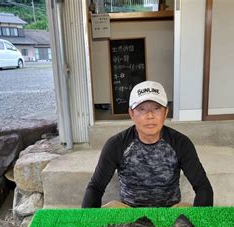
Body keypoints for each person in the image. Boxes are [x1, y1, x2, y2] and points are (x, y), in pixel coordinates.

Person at [82, 80, 213, 208]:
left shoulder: (181, 143)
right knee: (112, 207)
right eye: (142, 109)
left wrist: (200, 222)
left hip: (170, 212)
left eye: (156, 108)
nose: (150, 115)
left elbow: (203, 187)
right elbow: (96, 187)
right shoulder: (116, 144)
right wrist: (86, 222)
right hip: (129, 212)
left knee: (185, 208)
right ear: (132, 113)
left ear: (166, 112)